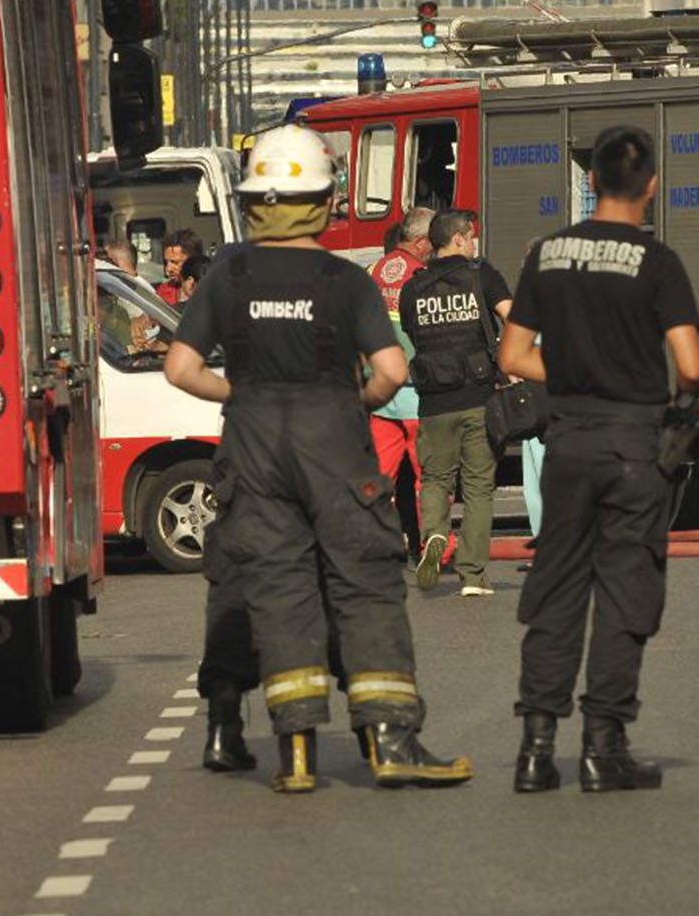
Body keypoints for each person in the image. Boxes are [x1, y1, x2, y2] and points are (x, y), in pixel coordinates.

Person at [165, 125, 470, 793]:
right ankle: (392, 738)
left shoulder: (228, 274)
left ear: (255, 202)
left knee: (277, 586)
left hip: (252, 440)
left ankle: (294, 749)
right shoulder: (344, 279)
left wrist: (238, 391)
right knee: (362, 580)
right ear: (325, 200)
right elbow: (392, 370)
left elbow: (181, 368)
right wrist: (353, 398)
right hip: (331, 432)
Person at [498, 126, 699, 794]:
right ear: (650, 185)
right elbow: (693, 365)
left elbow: (511, 356)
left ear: (590, 181)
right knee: (624, 591)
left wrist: (569, 379)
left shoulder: (549, 254)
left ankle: (535, 747)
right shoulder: (657, 261)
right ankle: (603, 744)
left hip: (568, 443)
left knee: (556, 589)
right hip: (633, 445)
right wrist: (672, 400)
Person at [400, 209, 512, 596]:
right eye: (471, 235)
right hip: (479, 395)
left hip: (433, 401)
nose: (474, 241)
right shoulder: (482, 275)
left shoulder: (413, 287)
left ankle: (433, 536)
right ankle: (473, 576)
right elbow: (511, 317)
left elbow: (413, 334)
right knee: (479, 487)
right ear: (460, 239)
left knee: (434, 479)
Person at [368, 206, 437, 560]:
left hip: (380, 393)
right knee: (430, 477)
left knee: (379, 476)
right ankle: (434, 547)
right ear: (422, 242)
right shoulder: (423, 276)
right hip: (415, 392)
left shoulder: (374, 270)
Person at [158, 228, 206, 304]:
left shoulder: (211, 291)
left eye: (175, 262)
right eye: (166, 262)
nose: (168, 270)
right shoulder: (164, 291)